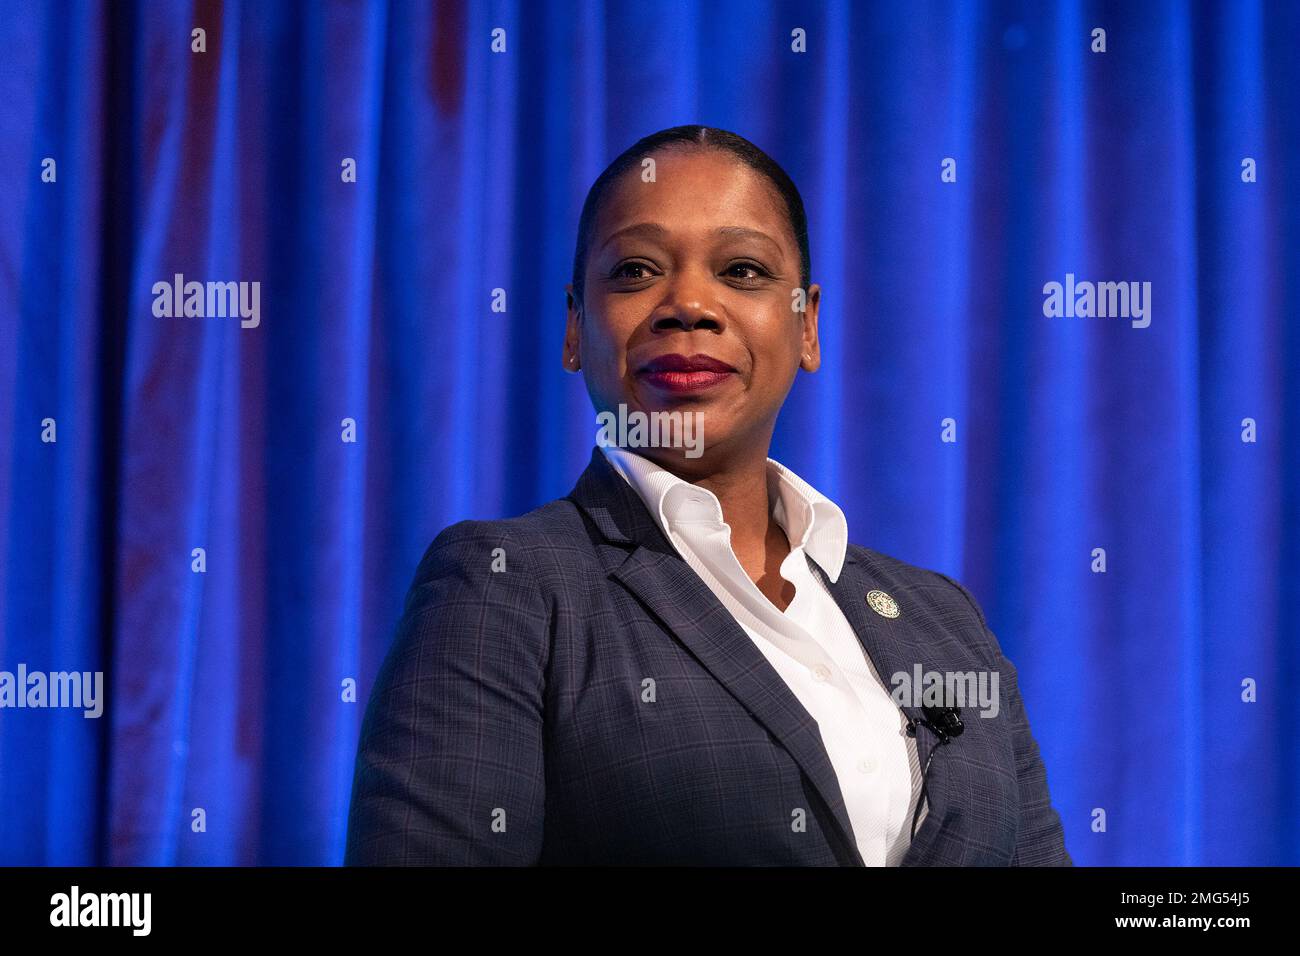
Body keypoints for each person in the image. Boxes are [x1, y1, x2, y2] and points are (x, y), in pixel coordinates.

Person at [344, 125, 1071, 866]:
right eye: (634, 270)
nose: (688, 304)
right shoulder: (505, 585)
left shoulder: (943, 620)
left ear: (808, 325)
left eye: (744, 270)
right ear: (573, 328)